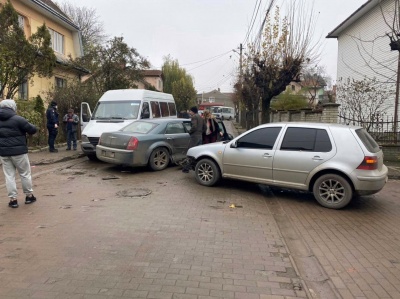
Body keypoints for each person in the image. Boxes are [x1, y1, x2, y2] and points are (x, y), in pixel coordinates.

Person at [0, 99, 37, 208]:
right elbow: (32, 129)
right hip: (19, 152)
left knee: (9, 176)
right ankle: (29, 196)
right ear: (12, 107)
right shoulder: (18, 119)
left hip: (4, 152)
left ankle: (13, 200)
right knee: (24, 174)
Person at [182, 106, 206, 173]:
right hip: (200, 137)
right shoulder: (201, 117)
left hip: (194, 137)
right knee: (198, 153)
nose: (189, 112)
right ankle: (197, 166)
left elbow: (194, 126)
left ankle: (187, 168)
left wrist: (190, 132)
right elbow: (205, 127)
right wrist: (201, 132)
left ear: (192, 111)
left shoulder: (194, 117)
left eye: (190, 111)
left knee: (190, 152)